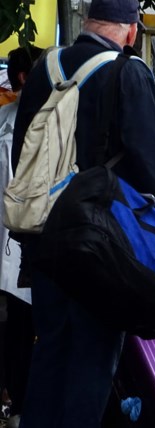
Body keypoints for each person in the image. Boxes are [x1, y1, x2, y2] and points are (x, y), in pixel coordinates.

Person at [11, 1, 155, 426]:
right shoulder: (127, 72)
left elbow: (23, 154)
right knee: (94, 357)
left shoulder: (45, 70)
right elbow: (152, 162)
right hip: (101, 245)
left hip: (43, 239)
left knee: (50, 350)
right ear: (130, 31)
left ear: (87, 22)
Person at [0, 45, 43, 424]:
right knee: (19, 326)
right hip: (16, 247)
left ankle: (21, 400)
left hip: (27, 248)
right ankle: (17, 400)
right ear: (25, 78)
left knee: (24, 325)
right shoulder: (9, 124)